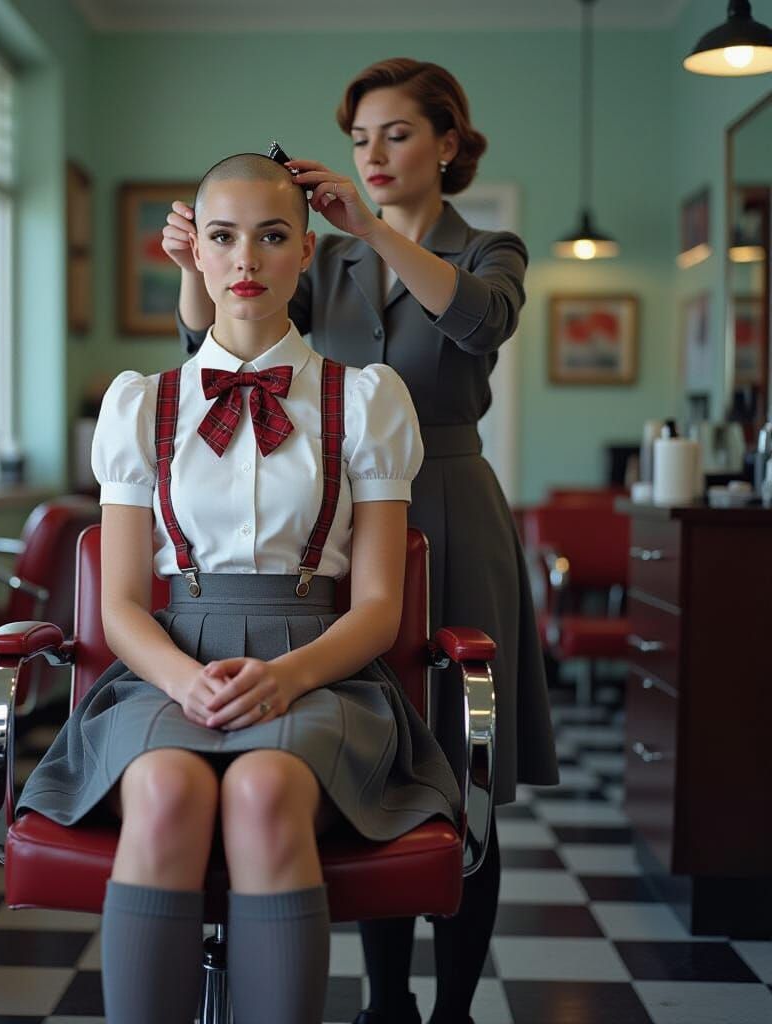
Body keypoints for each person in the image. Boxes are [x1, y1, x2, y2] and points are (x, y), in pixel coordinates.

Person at [17, 152, 461, 1024]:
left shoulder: (367, 400)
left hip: (322, 666)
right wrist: (184, 680)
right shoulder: (142, 403)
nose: (247, 260)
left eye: (271, 237)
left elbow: (378, 607)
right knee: (168, 790)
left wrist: (289, 677)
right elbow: (117, 605)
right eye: (223, 237)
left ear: (306, 253)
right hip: (168, 663)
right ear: (197, 253)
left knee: (263, 792)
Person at [167, 59, 559, 1024]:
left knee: (468, 784)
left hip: (450, 514)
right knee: (386, 774)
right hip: (344, 524)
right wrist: (194, 270)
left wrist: (368, 228)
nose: (373, 155)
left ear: (448, 146)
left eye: (396, 134)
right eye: (359, 139)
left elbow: (478, 323)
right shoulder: (322, 261)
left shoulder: (487, 246)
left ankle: (454, 1010)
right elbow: (229, 342)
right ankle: (387, 1006)